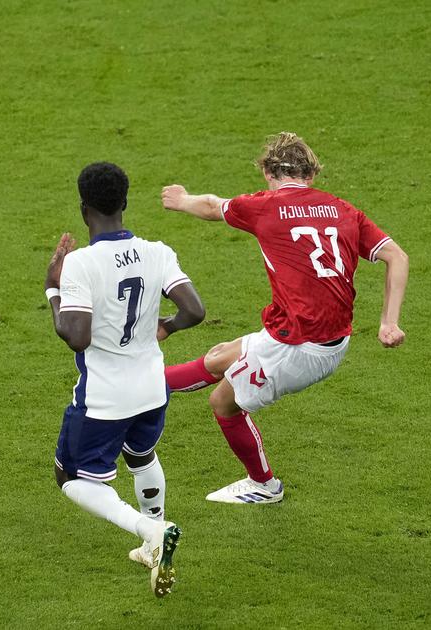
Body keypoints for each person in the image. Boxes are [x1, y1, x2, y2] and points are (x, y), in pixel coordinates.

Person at [161, 132, 409, 504]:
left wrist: (181, 201)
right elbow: (397, 256)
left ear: (267, 172)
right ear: (312, 174)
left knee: (223, 403)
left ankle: (264, 485)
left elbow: (214, 207)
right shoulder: (343, 209)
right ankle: (141, 385)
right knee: (219, 357)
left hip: (300, 346)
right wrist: (388, 322)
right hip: (318, 337)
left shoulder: (264, 206)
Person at [46, 162, 206, 597]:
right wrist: (168, 327)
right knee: (141, 456)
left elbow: (76, 338)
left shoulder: (80, 262)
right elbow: (195, 310)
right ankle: (150, 544)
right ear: (125, 203)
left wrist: (53, 291)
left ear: (84, 210)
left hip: (104, 399)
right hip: (153, 388)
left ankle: (151, 530)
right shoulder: (158, 251)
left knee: (73, 479)